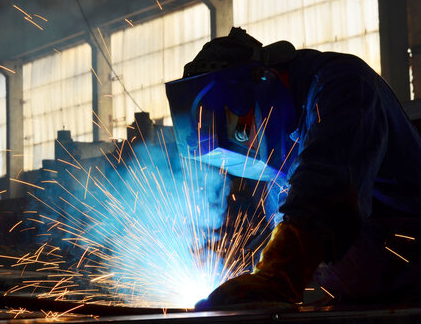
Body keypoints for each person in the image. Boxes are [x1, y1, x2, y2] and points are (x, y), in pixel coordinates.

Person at [165, 27, 421, 309]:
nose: (246, 141)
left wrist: (275, 277)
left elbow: (325, 192)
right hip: (365, 294)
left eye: (240, 127)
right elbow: (291, 223)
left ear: (264, 83)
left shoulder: (343, 85)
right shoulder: (281, 143)